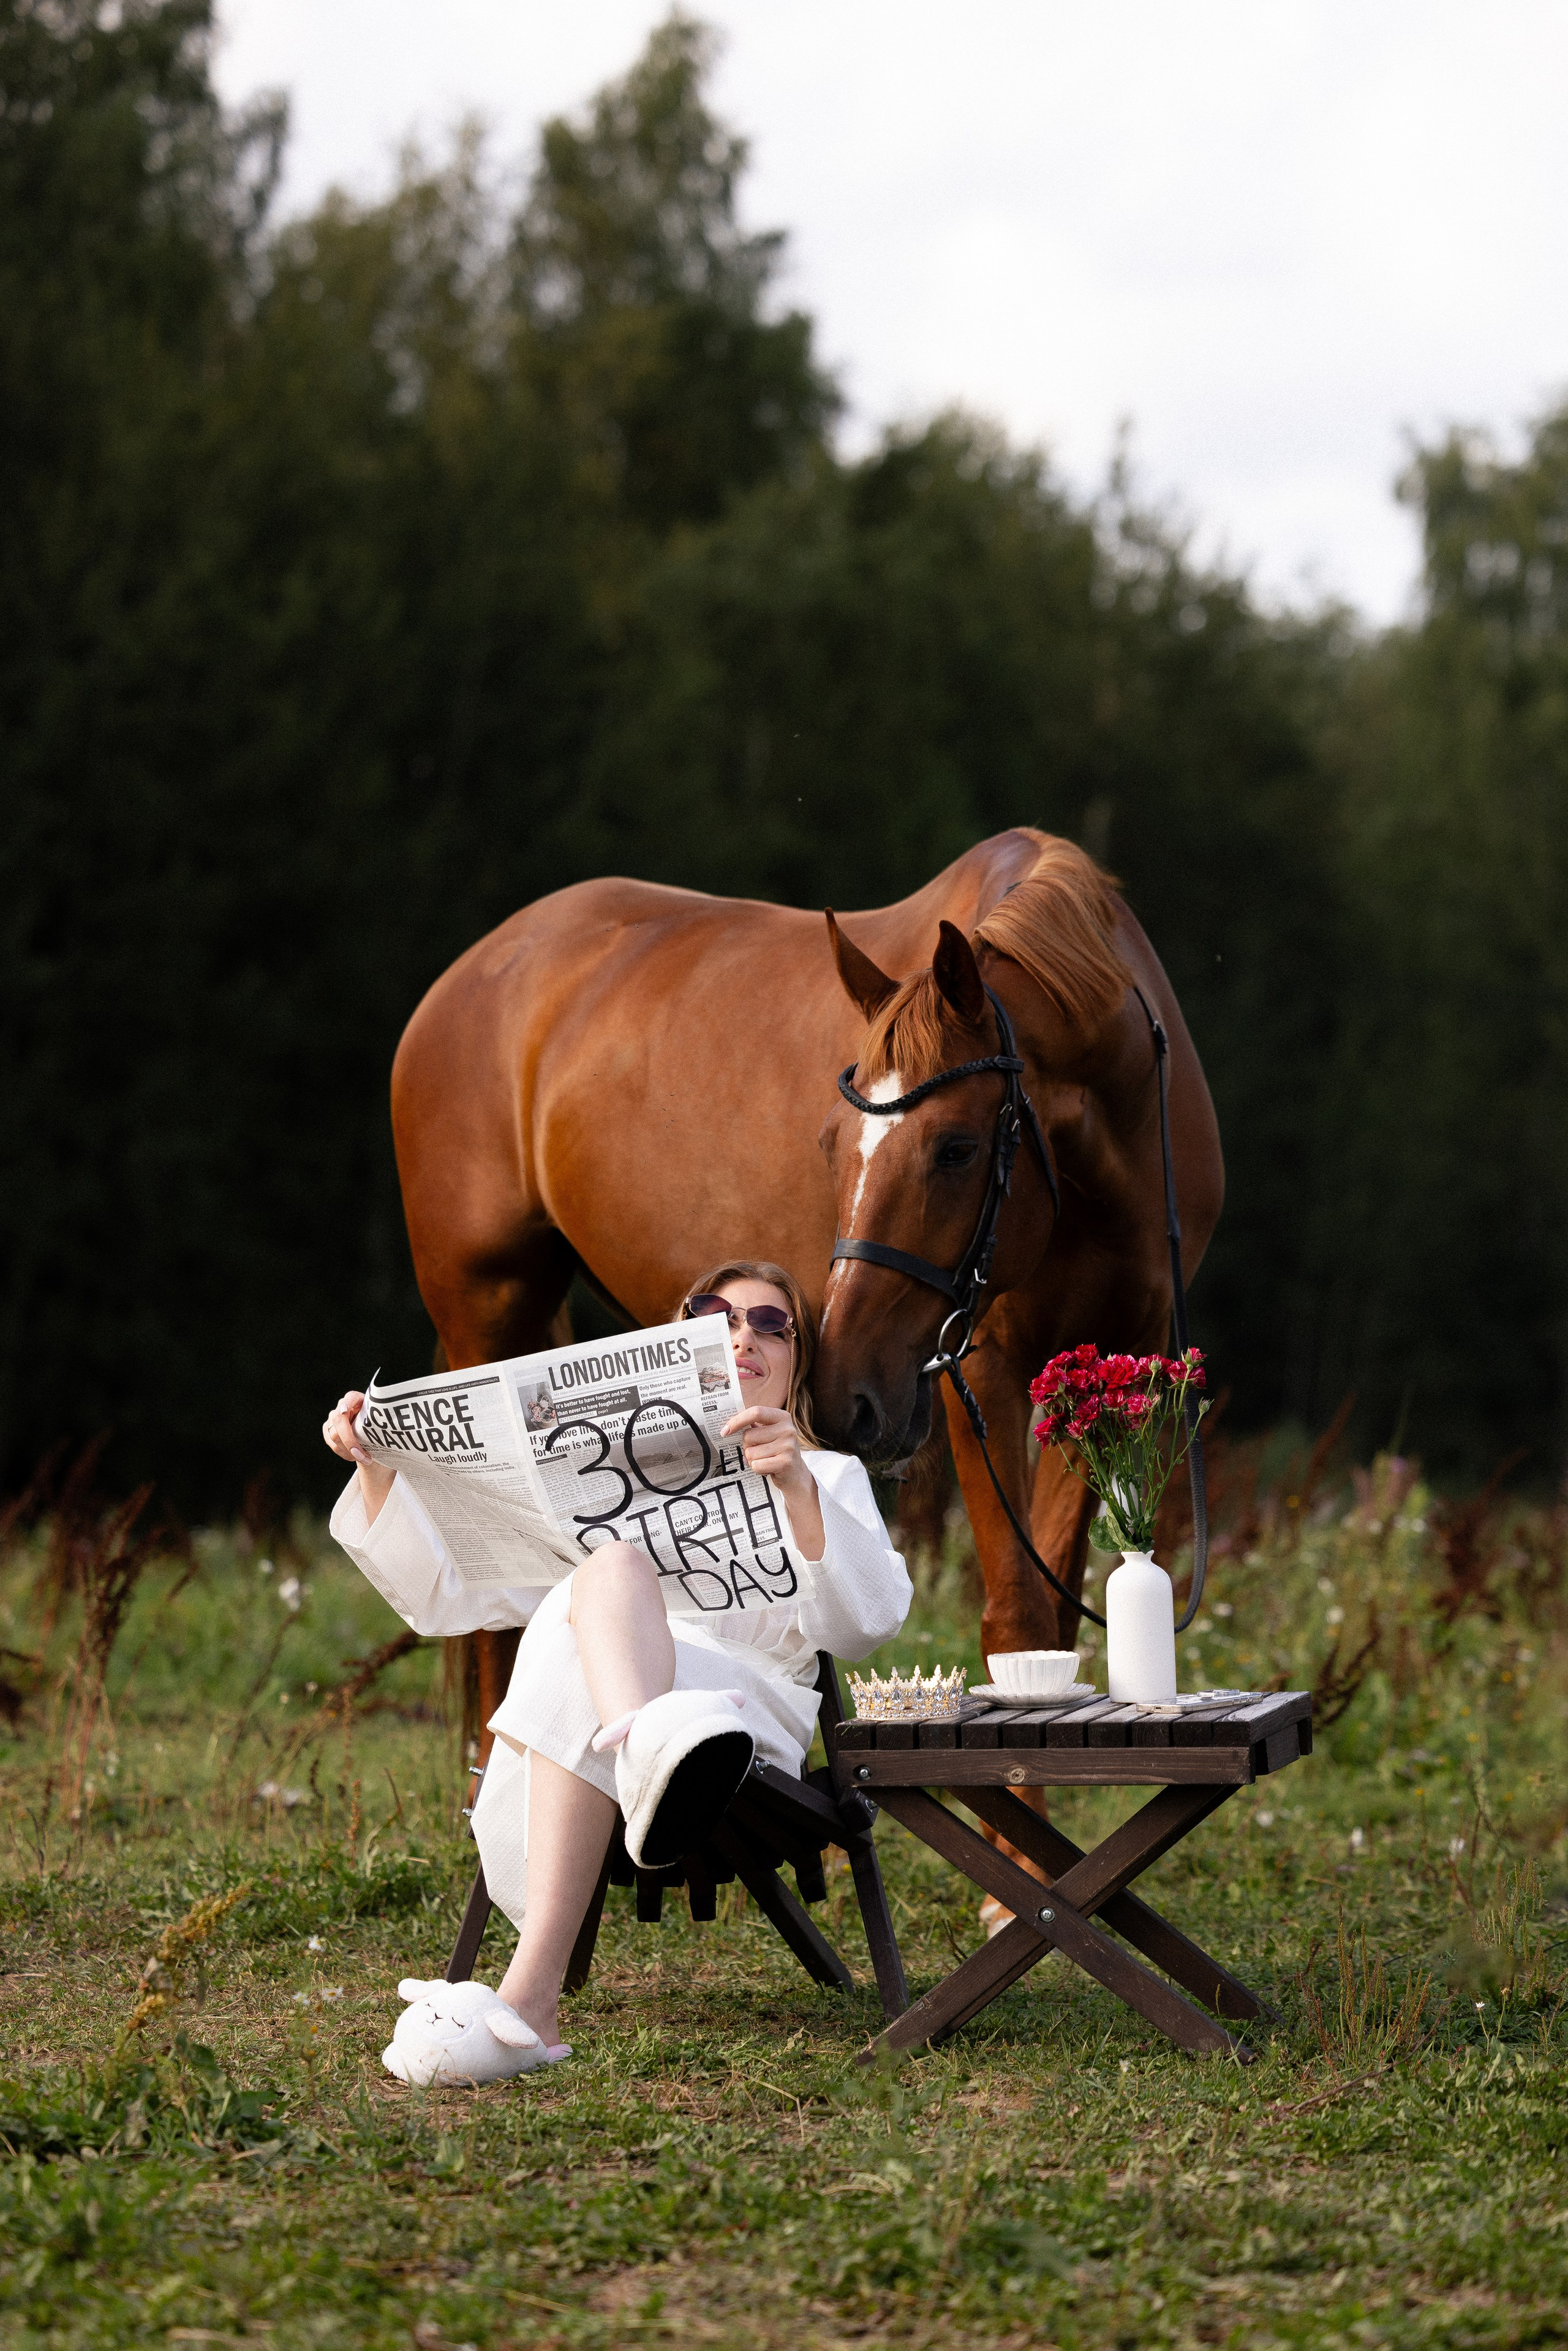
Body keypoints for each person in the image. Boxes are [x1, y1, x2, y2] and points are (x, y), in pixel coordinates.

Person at [323, 1259, 911, 2086]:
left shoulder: (827, 1473)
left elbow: (866, 1622)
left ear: (795, 1363)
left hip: (738, 1721)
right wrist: (378, 1466)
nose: (744, 1336)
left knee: (592, 1593)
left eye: (771, 1325)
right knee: (602, 1581)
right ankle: (637, 1760)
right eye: (717, 1317)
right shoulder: (600, 1467)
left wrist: (799, 1489)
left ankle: (532, 1991)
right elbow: (452, 1596)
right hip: (610, 1708)